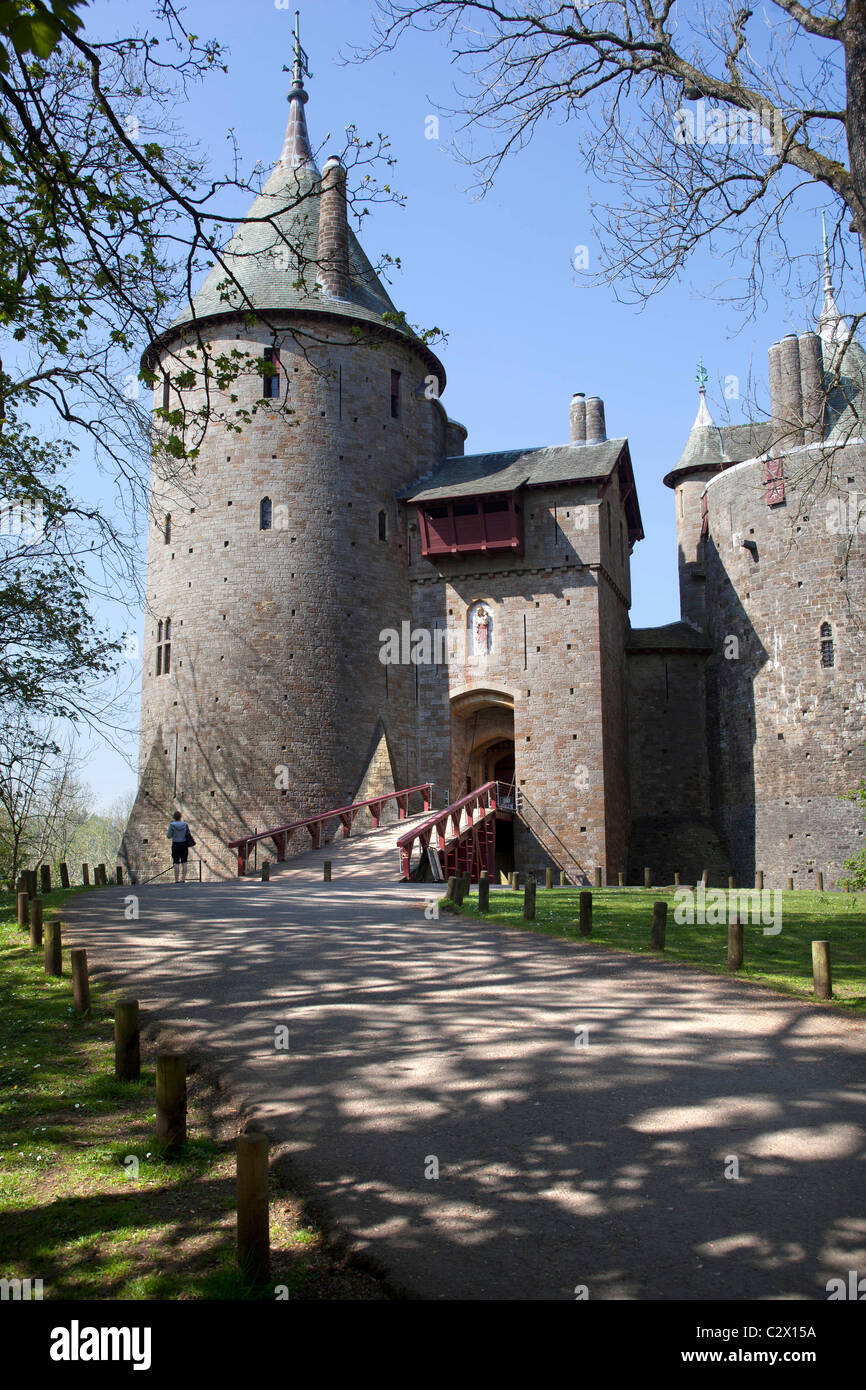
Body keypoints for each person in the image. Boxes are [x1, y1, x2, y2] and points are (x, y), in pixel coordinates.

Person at [167, 810, 193, 883]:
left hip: (175, 844)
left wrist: (174, 834)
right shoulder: (185, 825)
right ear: (180, 817)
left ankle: (176, 879)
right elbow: (188, 833)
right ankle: (183, 879)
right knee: (184, 862)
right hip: (184, 844)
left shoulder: (172, 825)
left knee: (176, 862)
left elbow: (168, 836)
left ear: (174, 817)